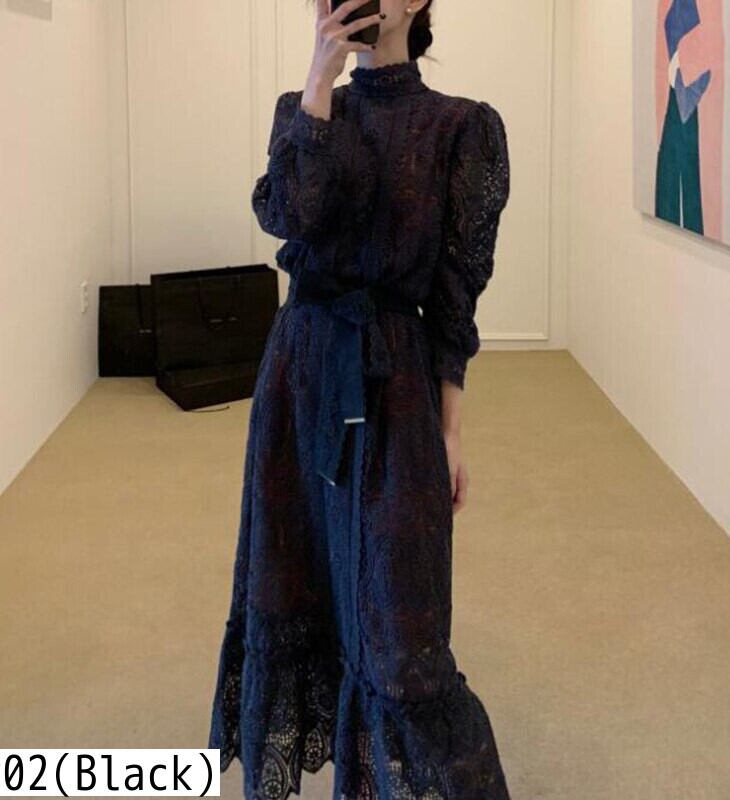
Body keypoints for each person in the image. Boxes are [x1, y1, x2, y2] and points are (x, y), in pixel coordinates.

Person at [207, 1, 512, 797]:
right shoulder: (305, 107)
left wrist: (451, 430)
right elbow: (287, 215)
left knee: (402, 617)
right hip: (300, 375)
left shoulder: (462, 127)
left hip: (396, 377)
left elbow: (455, 297)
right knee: (294, 573)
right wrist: (319, 79)